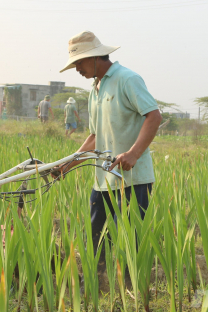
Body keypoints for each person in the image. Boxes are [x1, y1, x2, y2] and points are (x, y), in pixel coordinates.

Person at [54, 31, 162, 260]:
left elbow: (153, 115)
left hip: (132, 179)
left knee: (130, 244)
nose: (77, 69)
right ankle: (98, 284)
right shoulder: (95, 88)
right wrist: (68, 164)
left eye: (79, 62)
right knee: (96, 243)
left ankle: (129, 287)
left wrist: (133, 153)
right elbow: (95, 136)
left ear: (95, 57)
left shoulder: (127, 79)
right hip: (103, 180)